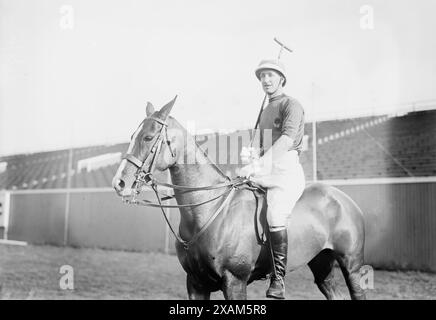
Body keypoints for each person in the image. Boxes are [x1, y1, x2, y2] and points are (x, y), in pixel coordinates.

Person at [239, 59, 306, 299]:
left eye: (270, 75)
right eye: (262, 76)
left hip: (286, 170)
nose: (266, 80)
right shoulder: (265, 111)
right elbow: (261, 147)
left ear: (281, 79)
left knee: (275, 214)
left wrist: (257, 164)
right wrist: (251, 157)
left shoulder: (292, 105)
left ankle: (278, 280)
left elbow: (286, 142)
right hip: (265, 167)